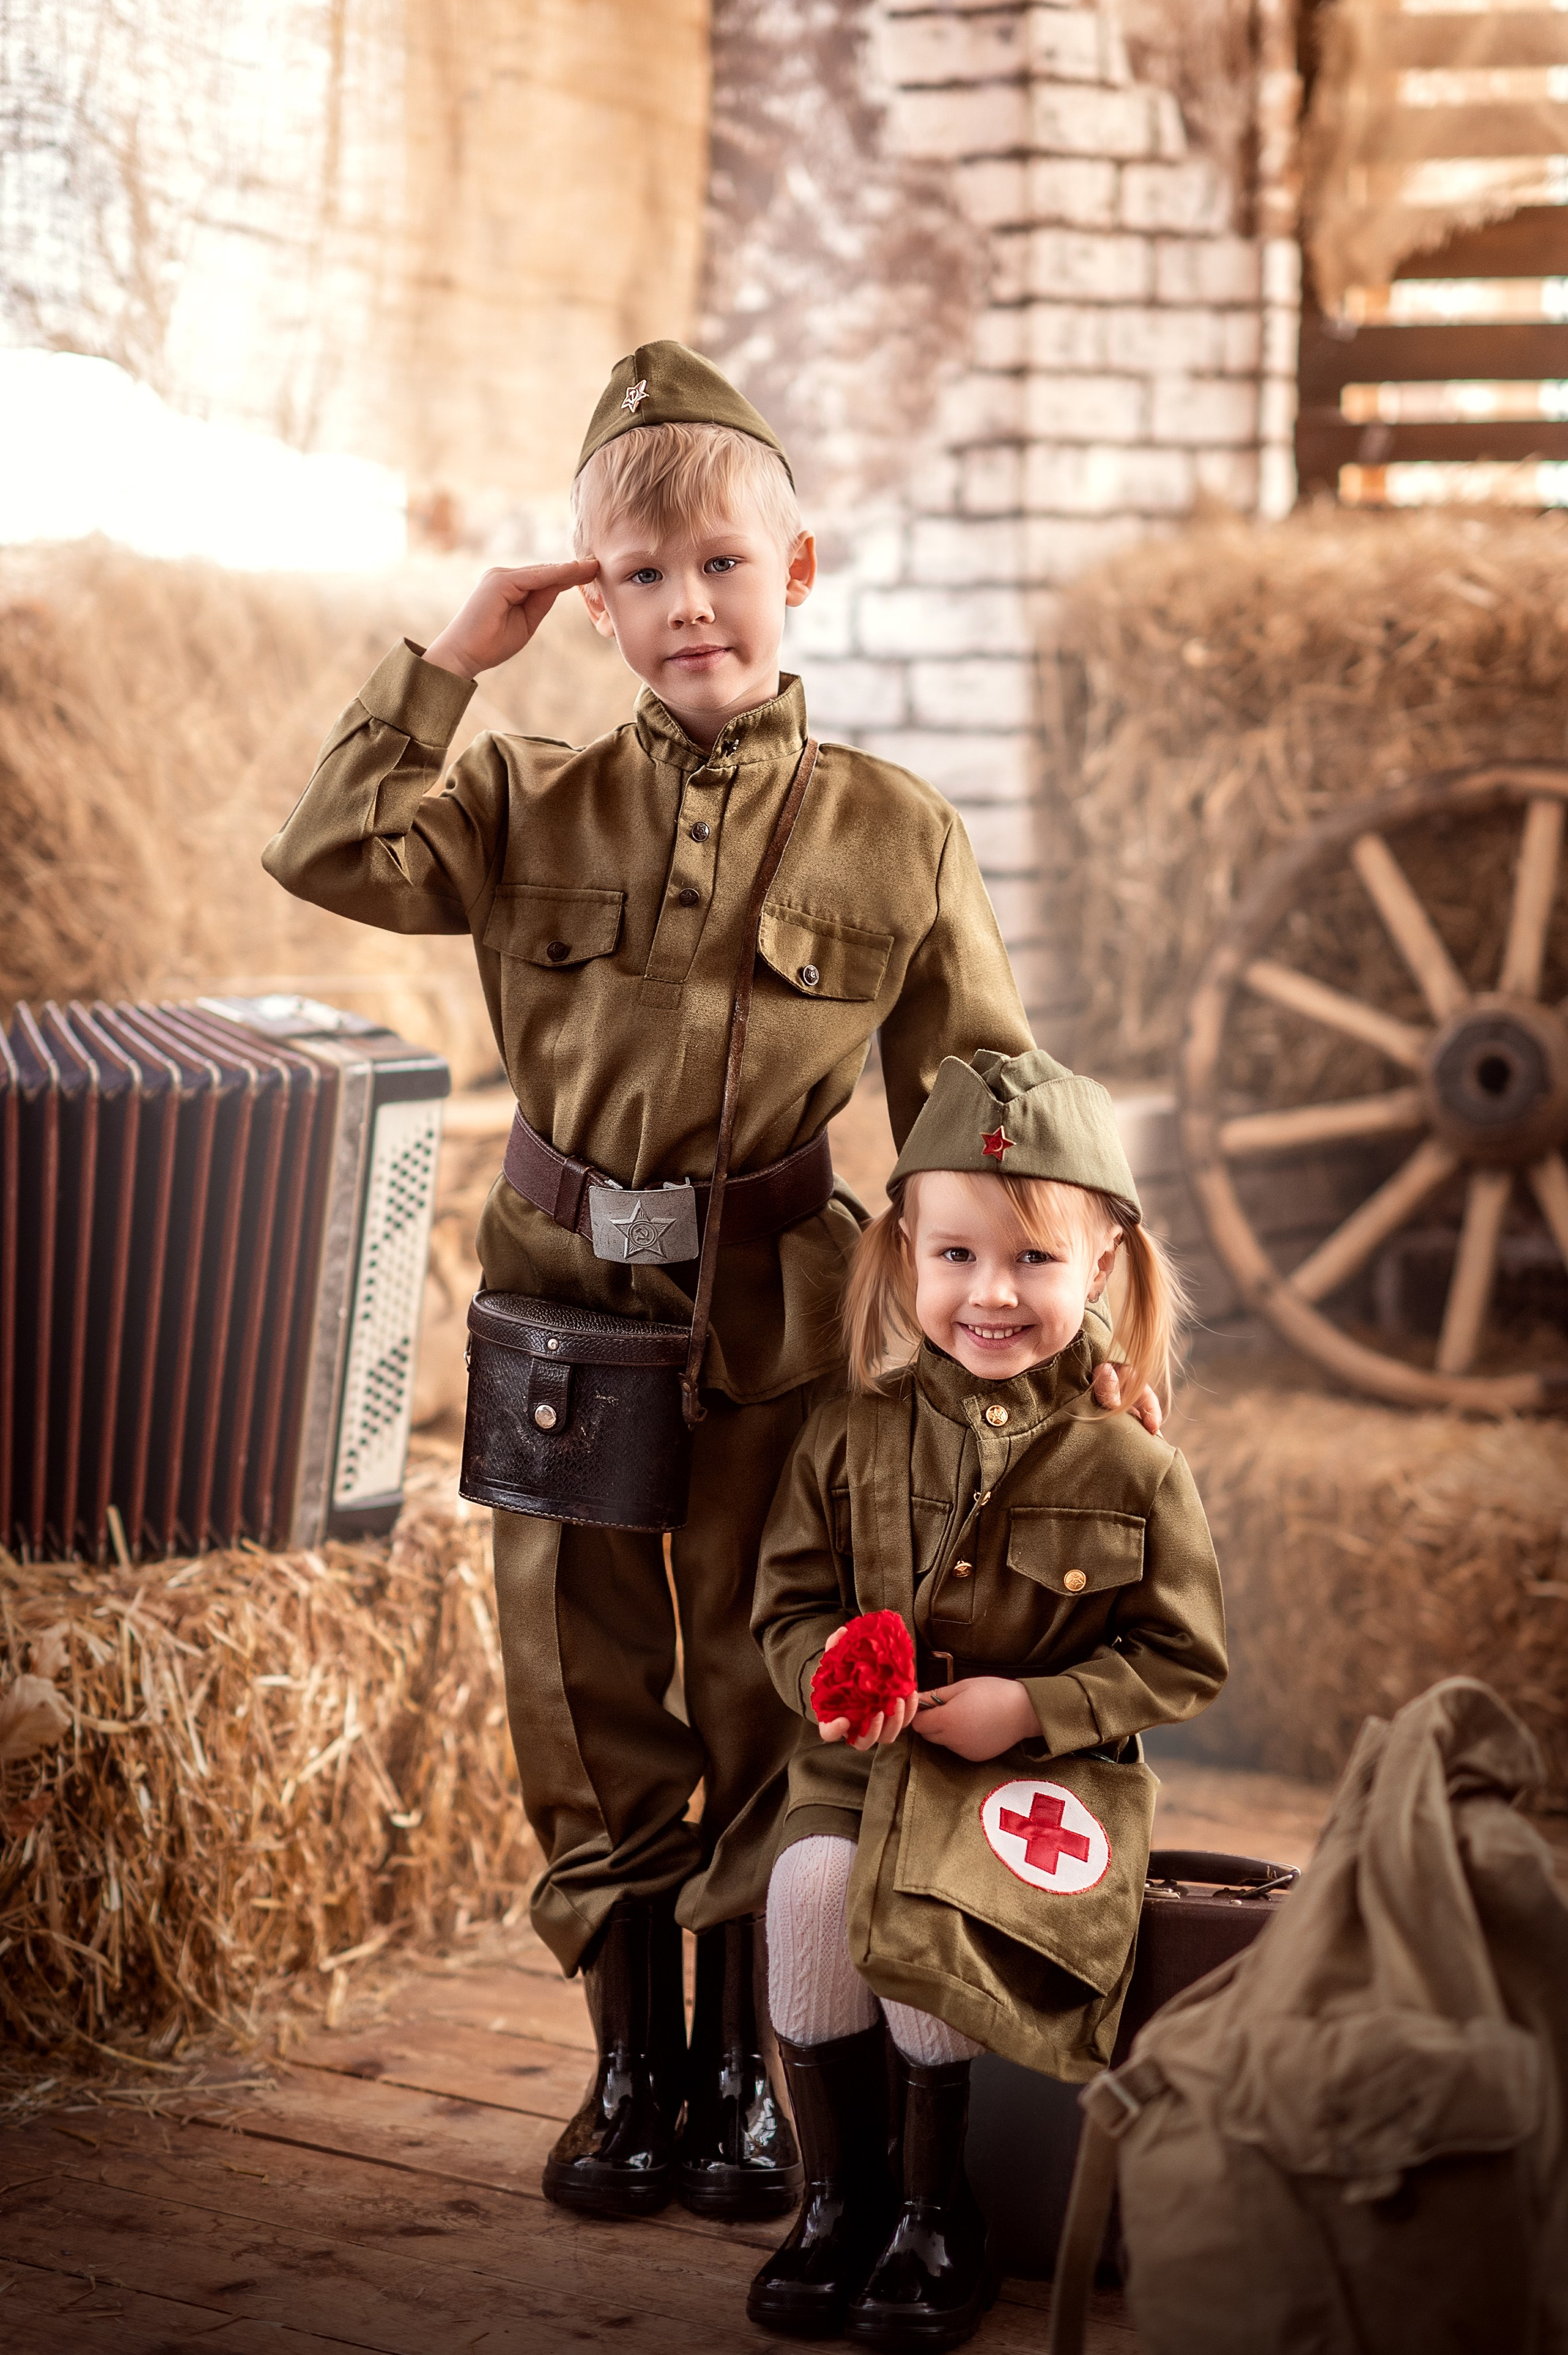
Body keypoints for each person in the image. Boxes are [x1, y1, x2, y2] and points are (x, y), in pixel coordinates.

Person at [260, 341, 1159, 2227]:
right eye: (642, 575)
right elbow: (329, 846)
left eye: (723, 567)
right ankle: (632, 2072)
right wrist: (456, 654)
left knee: (770, 1690)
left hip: (779, 1316)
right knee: (581, 1690)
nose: (687, 608)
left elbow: (970, 1102)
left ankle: (761, 2074)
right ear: (595, 602)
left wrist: (1048, 1335)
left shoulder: (893, 830)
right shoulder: (517, 798)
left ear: (799, 570)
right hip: (565, 1310)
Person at [748, 1046, 1227, 2349]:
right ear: (904, 1253)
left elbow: (1182, 1658)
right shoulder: (850, 1429)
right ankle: (834, 2198)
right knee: (804, 1889)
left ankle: (932, 2205)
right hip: (862, 1760)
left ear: (1104, 1266)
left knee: (927, 1912)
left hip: (1026, 1779)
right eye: (954, 1255)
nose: (990, 1292)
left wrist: (1031, 1709)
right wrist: (826, 1683)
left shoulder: (1128, 1465)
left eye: (1030, 1260)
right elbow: (785, 1609)